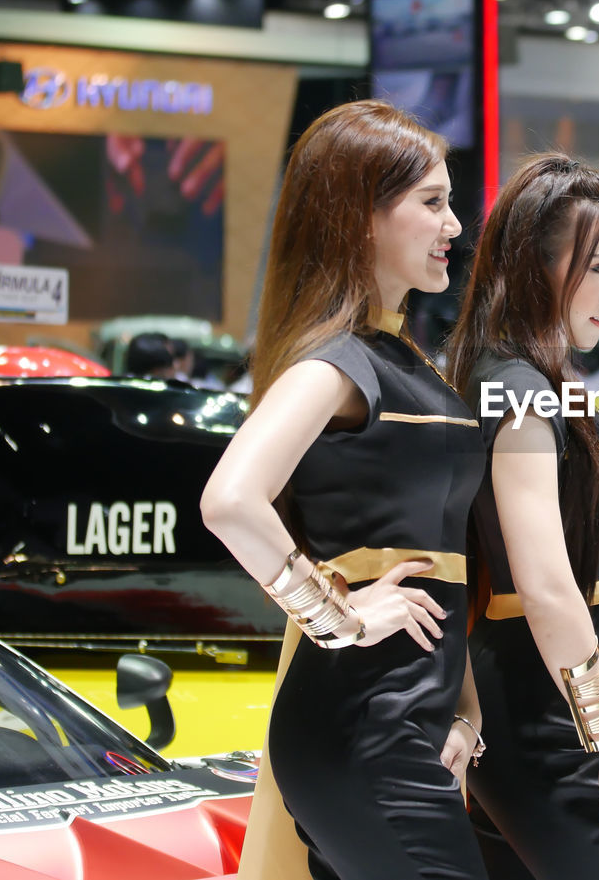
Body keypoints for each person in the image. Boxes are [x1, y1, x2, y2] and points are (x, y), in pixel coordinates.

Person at [200, 100, 489, 880]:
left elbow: (438, 552)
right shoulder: (338, 362)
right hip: (362, 726)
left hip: (404, 725)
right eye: (432, 202)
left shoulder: (400, 360)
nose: (454, 225)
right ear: (361, 217)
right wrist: (339, 618)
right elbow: (229, 499)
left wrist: (465, 710)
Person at [446, 154, 599, 879]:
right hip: (544, 718)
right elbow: (545, 585)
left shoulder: (529, 380)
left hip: (545, 703)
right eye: (596, 267)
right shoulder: (517, 390)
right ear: (535, 265)